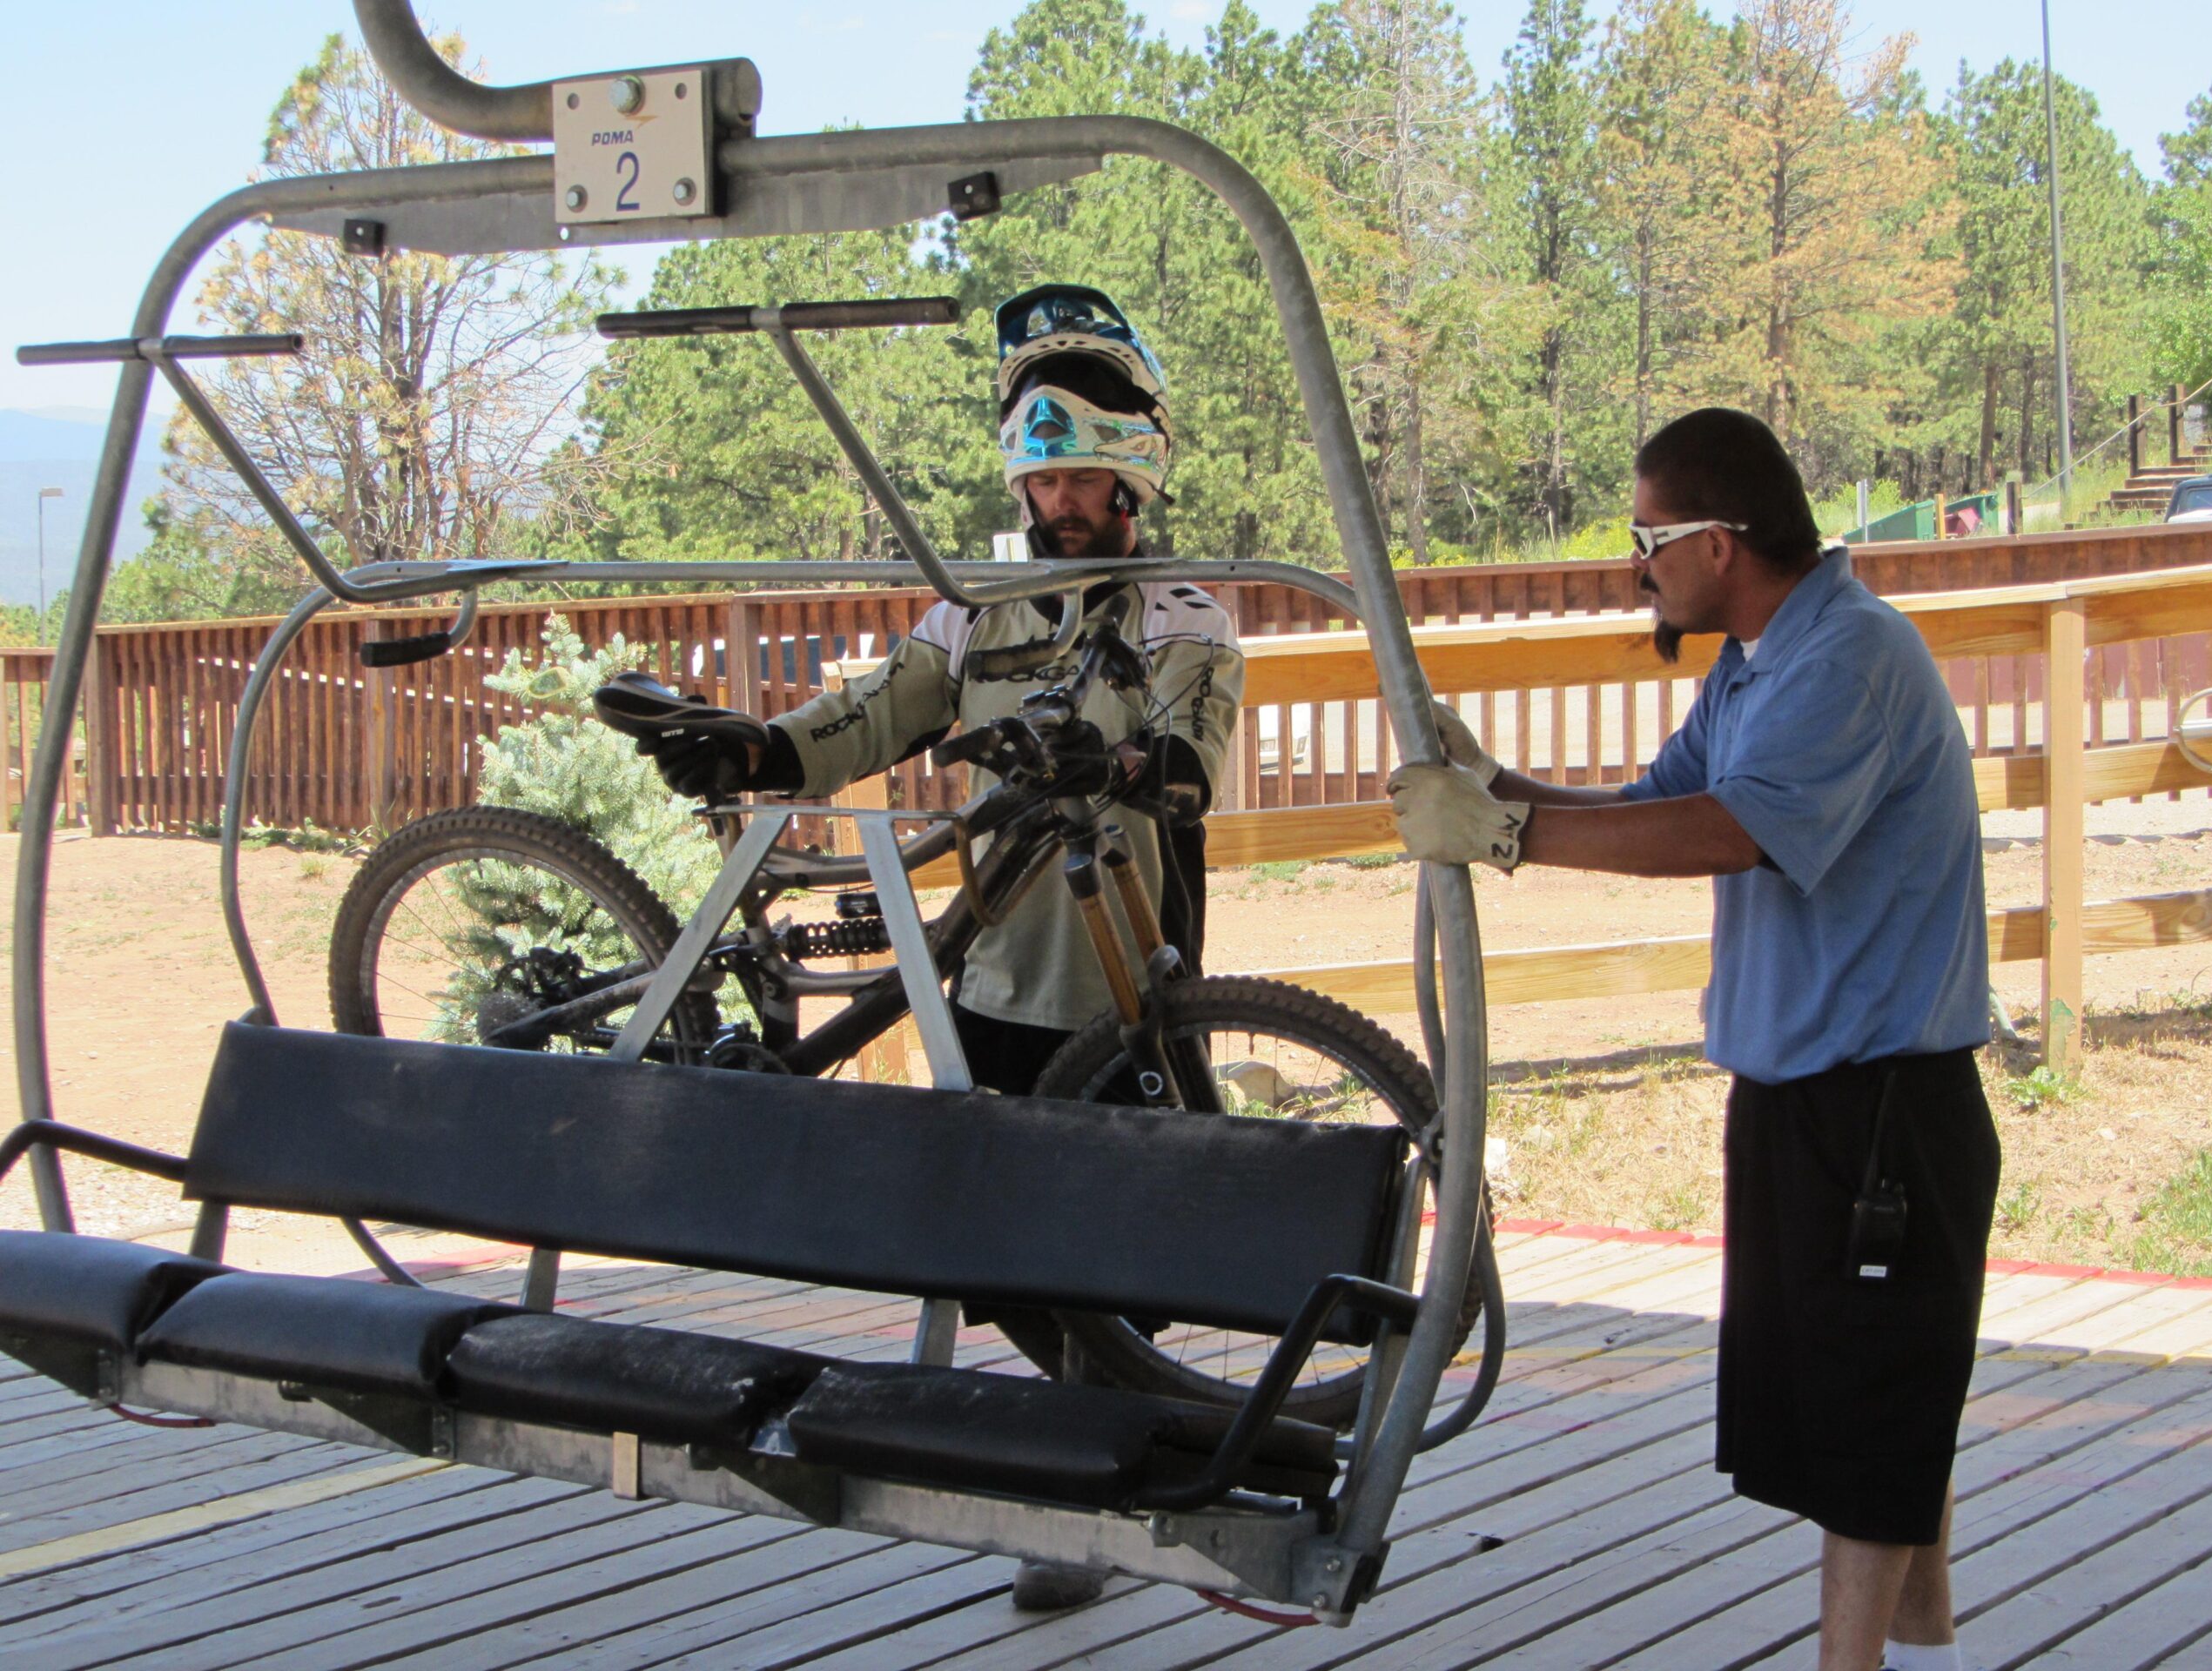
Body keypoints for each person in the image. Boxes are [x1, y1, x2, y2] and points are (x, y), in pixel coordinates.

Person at [636, 285, 1244, 1613]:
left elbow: (1199, 760)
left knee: (1101, 1258)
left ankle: (1085, 1506)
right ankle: (1097, 1459)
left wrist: (1127, 757)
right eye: (1040, 478)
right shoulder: (973, 615)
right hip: (987, 973)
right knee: (989, 1241)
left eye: (1078, 476)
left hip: (1123, 972)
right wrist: (762, 745)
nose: (1057, 502)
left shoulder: (1185, 617)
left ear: (1131, 479)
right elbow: (877, 711)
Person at [1389, 407, 1996, 1671]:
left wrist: (1502, 836)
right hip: (1799, 1097)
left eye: (1648, 537)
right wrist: (1496, 785)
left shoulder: (1849, 659)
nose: (1636, 565)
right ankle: (1927, 1630)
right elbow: (1657, 806)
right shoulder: (1759, 657)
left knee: (1875, 1406)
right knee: (1868, 1392)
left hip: (1884, 1108)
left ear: (1722, 541)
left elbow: (1734, 831)